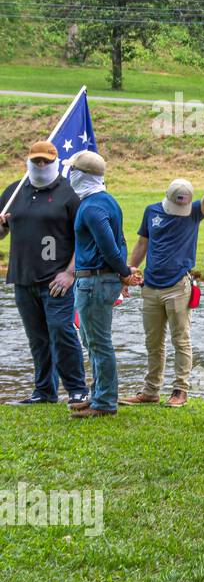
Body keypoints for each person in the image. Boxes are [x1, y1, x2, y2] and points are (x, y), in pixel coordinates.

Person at [0, 140, 87, 407]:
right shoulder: (15, 191)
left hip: (57, 279)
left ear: (55, 161)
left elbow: (83, 237)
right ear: (28, 160)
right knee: (37, 336)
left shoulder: (69, 193)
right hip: (22, 277)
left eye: (45, 161)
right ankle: (44, 390)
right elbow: (3, 232)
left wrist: (71, 272)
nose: (40, 165)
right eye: (36, 160)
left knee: (61, 330)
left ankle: (77, 389)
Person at [121, 178, 204, 408]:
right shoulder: (151, 210)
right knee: (153, 342)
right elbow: (143, 243)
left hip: (178, 287)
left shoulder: (194, 211)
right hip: (150, 286)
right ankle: (151, 391)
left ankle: (180, 391)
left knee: (181, 340)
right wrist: (129, 271)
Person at [67, 150, 139, 418]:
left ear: (81, 175)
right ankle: (98, 395)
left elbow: (110, 247)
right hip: (97, 280)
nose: (69, 175)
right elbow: (119, 242)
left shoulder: (93, 207)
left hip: (95, 281)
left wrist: (123, 272)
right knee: (92, 339)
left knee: (98, 342)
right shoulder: (106, 201)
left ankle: (105, 402)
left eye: (73, 170)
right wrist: (122, 272)